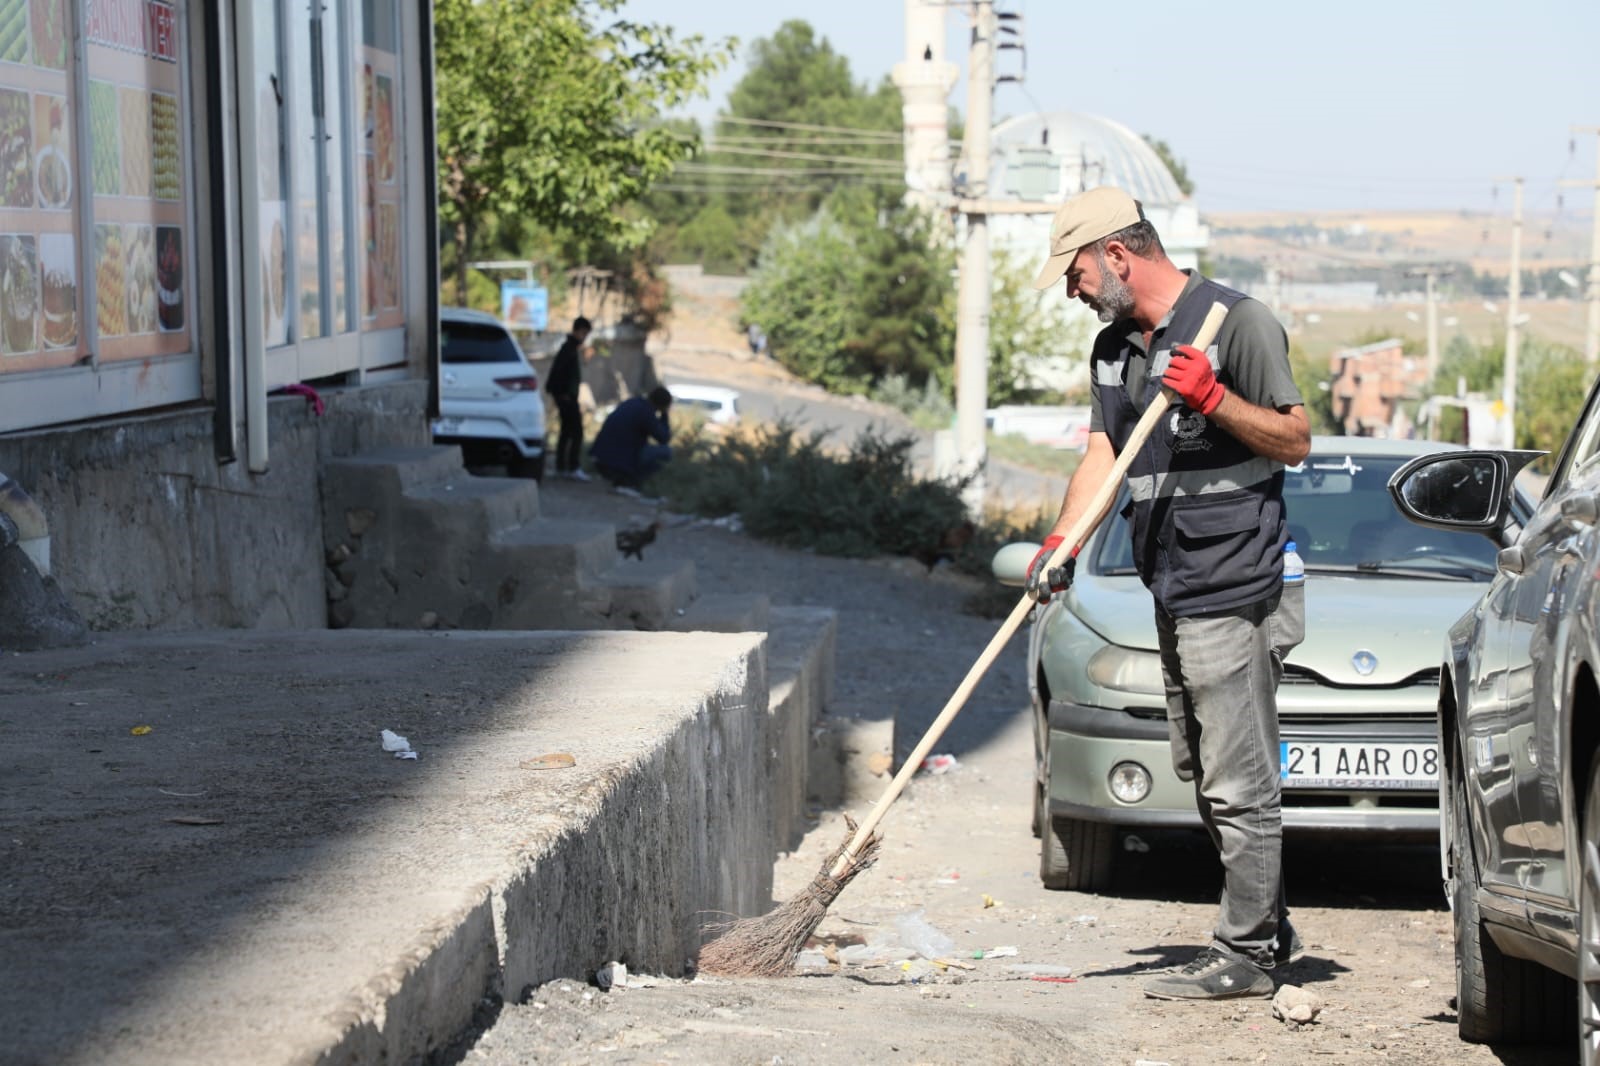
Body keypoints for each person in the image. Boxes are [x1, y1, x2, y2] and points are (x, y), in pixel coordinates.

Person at [1026, 186, 1311, 1002]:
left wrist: (1215, 399)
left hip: (1234, 580)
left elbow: (1295, 439)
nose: (1074, 290)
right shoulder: (1114, 351)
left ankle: (1248, 954)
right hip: (1171, 584)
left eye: (1077, 272)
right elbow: (1102, 457)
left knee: (1236, 776)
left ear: (1118, 255)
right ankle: (1268, 923)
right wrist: (1061, 544)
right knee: (1200, 764)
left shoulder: (1237, 323)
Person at [590, 386, 673, 492]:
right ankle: (631, 481)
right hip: (617, 461)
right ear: (662, 405)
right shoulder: (645, 412)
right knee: (666, 451)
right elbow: (664, 438)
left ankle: (627, 478)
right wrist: (664, 414)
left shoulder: (633, 402)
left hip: (600, 456)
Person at [545, 316, 592, 480]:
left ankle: (561, 466)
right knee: (576, 432)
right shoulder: (568, 349)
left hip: (567, 397)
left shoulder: (572, 348)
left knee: (566, 431)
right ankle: (573, 466)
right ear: (578, 331)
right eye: (584, 333)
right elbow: (558, 374)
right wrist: (563, 395)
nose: (585, 337)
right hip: (566, 398)